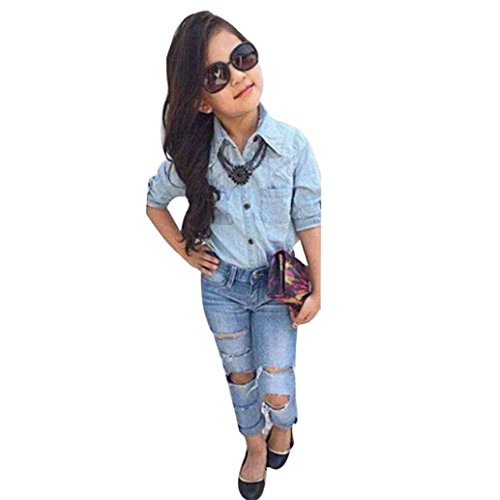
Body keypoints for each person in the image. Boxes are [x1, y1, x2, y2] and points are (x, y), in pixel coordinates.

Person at [145, 10, 321, 500]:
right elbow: (155, 202)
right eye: (217, 75)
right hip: (221, 290)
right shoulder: (193, 157)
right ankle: (254, 444)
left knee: (277, 382)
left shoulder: (292, 146)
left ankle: (282, 424)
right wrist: (186, 252)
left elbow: (309, 217)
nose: (239, 76)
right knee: (240, 374)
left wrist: (319, 288)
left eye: (243, 58)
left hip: (275, 286)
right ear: (200, 100)